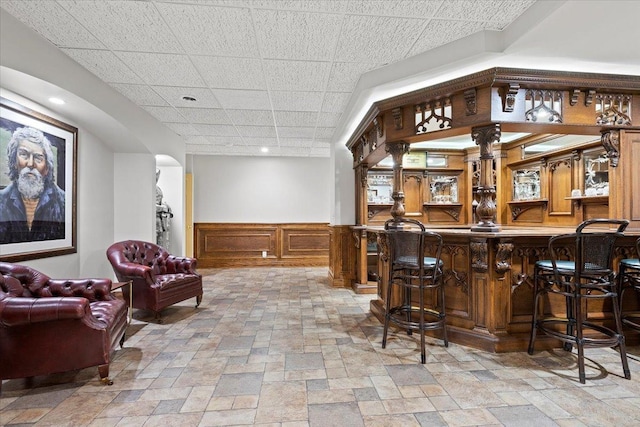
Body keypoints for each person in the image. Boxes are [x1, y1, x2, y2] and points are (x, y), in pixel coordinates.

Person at [0, 126, 65, 243]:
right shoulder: (1, 201)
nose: (30, 164)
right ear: (14, 162)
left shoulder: (64, 202)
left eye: (38, 158)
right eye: (24, 154)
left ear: (47, 168)